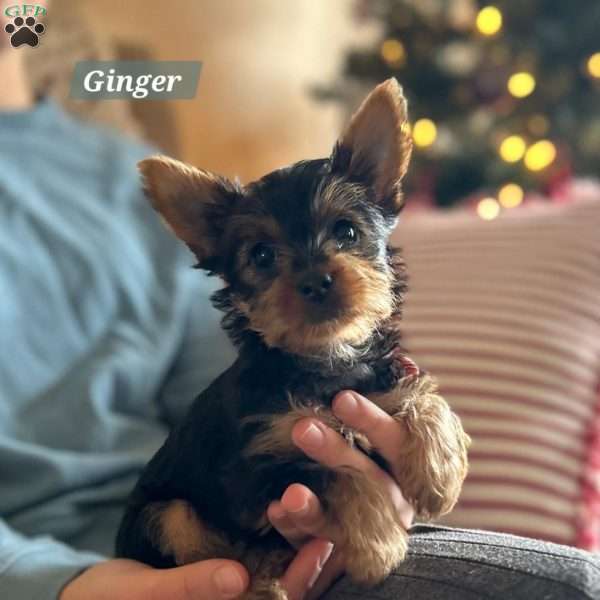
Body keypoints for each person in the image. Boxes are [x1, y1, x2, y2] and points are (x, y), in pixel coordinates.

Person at [1, 38, 599, 600]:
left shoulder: (115, 167)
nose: (313, 275)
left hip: (287, 550)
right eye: (264, 257)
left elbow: (226, 421)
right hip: (130, 559)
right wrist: (63, 583)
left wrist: (385, 466)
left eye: (344, 232)